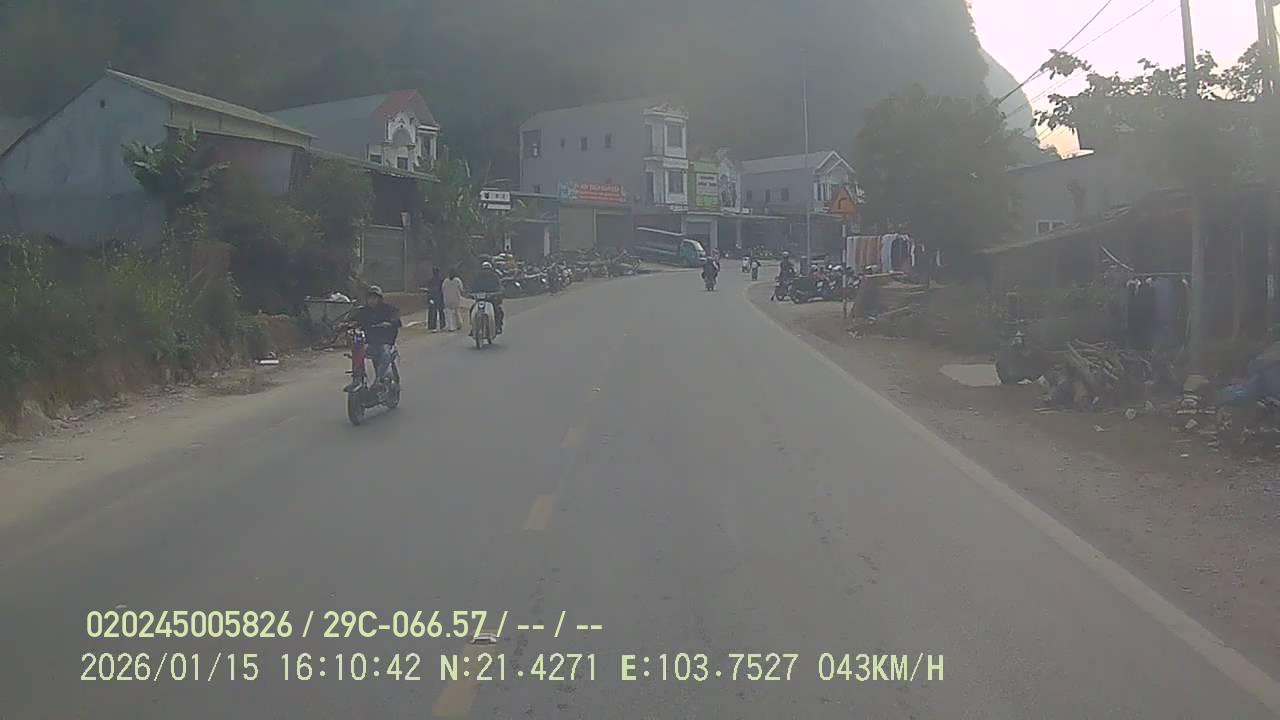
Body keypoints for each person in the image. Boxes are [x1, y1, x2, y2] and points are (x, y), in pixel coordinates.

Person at [346, 285, 401, 391]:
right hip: (370, 342)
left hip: (386, 341)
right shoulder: (364, 311)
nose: (372, 300)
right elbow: (353, 319)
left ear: (379, 299)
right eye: (370, 298)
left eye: (374, 298)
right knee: (357, 349)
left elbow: (396, 318)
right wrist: (345, 324)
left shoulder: (388, 309)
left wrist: (390, 322)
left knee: (385, 352)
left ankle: (380, 379)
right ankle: (357, 378)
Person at [470, 261, 504, 334]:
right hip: (481, 299)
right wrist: (471, 293)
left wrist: (498, 292)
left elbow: (499, 287)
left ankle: (497, 326)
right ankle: (473, 327)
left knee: (497, 311)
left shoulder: (493, 276)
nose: (486, 272)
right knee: (472, 310)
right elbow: (472, 287)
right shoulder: (478, 277)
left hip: (490, 299)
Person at [442, 267, 465, 332]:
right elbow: (461, 289)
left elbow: (442, 289)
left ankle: (451, 327)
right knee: (457, 311)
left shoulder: (445, 281)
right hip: (456, 298)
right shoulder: (457, 280)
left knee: (449, 313)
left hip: (447, 298)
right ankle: (459, 324)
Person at [426, 267, 445, 332]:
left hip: (433, 298)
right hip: (439, 298)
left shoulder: (430, 281)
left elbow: (429, 291)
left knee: (432, 312)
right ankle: (442, 325)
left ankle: (432, 326)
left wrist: (429, 299)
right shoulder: (441, 281)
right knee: (441, 312)